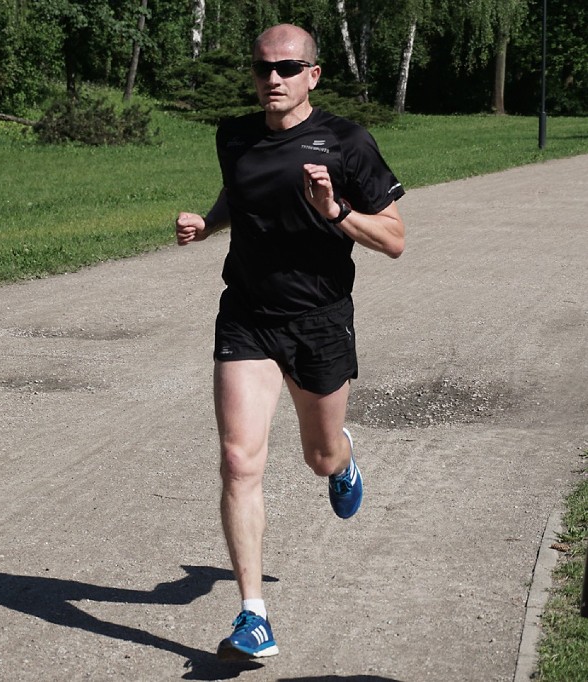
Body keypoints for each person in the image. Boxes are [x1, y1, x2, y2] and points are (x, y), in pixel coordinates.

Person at [175, 23, 405, 660]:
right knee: (238, 460)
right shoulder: (235, 136)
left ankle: (343, 458)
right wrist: (209, 220)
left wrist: (336, 213)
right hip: (246, 314)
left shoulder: (347, 143)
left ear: (313, 74)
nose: (271, 79)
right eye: (261, 68)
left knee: (318, 457)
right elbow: (241, 193)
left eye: (285, 67)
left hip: (319, 319)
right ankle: (254, 615)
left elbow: (395, 238)